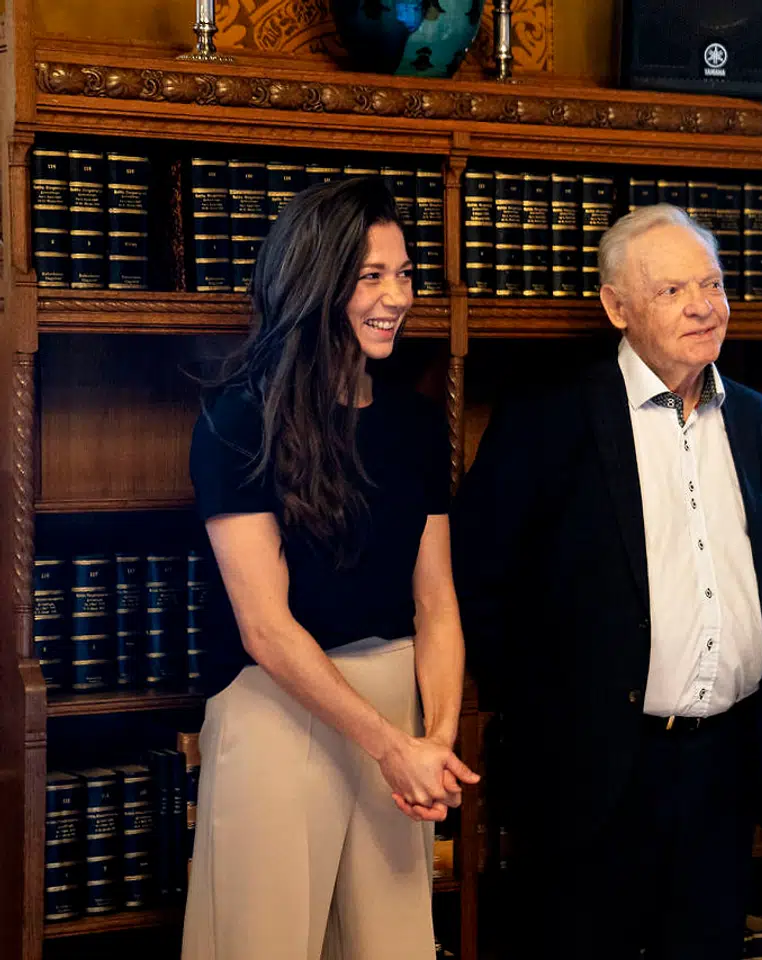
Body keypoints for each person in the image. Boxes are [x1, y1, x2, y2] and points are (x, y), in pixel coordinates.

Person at [450, 203, 762, 960]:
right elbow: (480, 577)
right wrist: (553, 711)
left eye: (712, 283)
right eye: (673, 290)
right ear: (617, 306)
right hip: (595, 772)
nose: (704, 305)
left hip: (722, 771)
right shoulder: (549, 422)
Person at [183, 176, 478, 960]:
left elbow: (437, 602)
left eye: (406, 273)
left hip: (396, 707)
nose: (396, 296)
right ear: (315, 282)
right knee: (264, 942)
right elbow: (266, 629)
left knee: (395, 946)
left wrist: (436, 739)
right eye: (370, 276)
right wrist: (390, 745)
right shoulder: (239, 419)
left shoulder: (415, 421)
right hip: (278, 705)